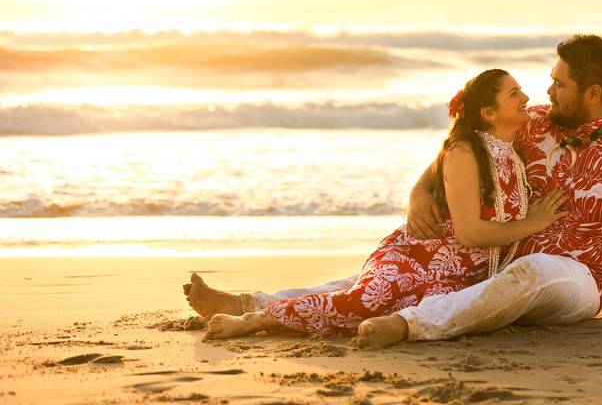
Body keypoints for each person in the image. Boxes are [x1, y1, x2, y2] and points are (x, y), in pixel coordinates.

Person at [356, 35, 602, 347]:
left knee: (535, 270)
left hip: (580, 279)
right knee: (402, 273)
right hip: (500, 261)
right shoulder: (533, 124)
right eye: (552, 79)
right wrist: (420, 190)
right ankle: (303, 304)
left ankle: (411, 325)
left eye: (560, 84)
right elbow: (467, 148)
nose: (547, 91)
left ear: (593, 93)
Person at [191, 69, 568, 340]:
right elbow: (470, 232)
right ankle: (257, 319)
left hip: (457, 276)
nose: (526, 99)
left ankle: (247, 304)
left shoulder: (511, 152)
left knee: (378, 306)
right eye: (514, 94)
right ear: (488, 113)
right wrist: (534, 223)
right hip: (419, 257)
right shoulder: (465, 150)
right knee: (363, 298)